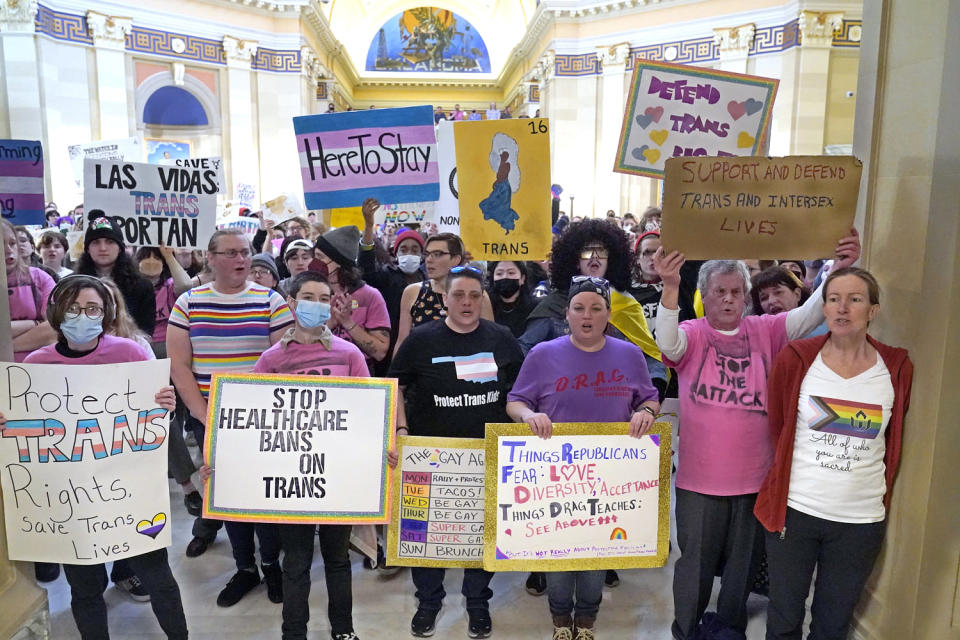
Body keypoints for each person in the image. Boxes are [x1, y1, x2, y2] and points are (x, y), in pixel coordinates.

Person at [652, 229, 861, 640]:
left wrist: (840, 269)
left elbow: (812, 313)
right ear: (705, 296)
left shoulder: (767, 329)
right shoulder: (693, 333)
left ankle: (729, 627)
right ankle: (686, 628)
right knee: (693, 560)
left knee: (742, 565)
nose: (728, 299)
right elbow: (668, 343)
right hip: (700, 479)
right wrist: (670, 287)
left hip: (754, 478)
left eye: (735, 291)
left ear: (745, 296)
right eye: (719, 292)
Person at [4, 274, 189, 640]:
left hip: (129, 494)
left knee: (160, 580)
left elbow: (151, 423)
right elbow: (24, 428)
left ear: (106, 314)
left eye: (92, 309)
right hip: (68, 499)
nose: (82, 316)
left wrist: (165, 406)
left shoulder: (130, 352)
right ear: (56, 312)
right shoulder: (35, 367)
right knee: (85, 589)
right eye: (73, 309)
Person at [754, 267, 912, 640]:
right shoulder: (797, 359)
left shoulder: (895, 368)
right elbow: (779, 427)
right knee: (783, 619)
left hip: (859, 521)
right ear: (823, 307)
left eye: (855, 299)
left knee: (832, 624)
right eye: (834, 299)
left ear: (872, 310)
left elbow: (892, 441)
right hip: (795, 512)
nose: (843, 308)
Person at [506, 276, 660, 640]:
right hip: (556, 481)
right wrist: (528, 416)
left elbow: (649, 397)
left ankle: (587, 622)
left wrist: (647, 414)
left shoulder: (629, 354)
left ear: (609, 314)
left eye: (596, 308)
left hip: (608, 482)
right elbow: (515, 401)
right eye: (579, 308)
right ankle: (561, 622)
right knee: (559, 564)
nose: (587, 316)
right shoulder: (542, 354)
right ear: (567, 313)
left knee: (594, 563)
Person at [389, 266, 524, 639]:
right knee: (424, 532)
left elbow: (521, 388)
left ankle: (478, 603)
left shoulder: (502, 338)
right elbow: (394, 385)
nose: (467, 303)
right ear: (444, 299)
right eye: (459, 295)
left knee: (481, 532)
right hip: (429, 455)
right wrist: (400, 429)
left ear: (484, 298)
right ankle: (428, 603)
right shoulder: (420, 340)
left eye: (474, 295)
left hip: (485, 455)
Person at [166, 228, 293, 606]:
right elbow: (179, 365)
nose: (241, 260)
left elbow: (285, 361)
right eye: (232, 253)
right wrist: (203, 414)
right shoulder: (189, 303)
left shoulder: (271, 300)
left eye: (246, 252)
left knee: (266, 497)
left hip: (264, 420)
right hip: (212, 418)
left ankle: (272, 565)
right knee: (229, 495)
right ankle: (245, 569)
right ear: (211, 257)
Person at [249, 272, 370, 640]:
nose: (315, 305)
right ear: (290, 302)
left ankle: (344, 630)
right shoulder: (271, 360)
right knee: (296, 562)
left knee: (337, 559)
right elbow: (256, 420)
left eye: (323, 298)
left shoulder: (349, 354)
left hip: (337, 475)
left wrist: (382, 450)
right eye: (308, 297)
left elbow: (368, 410)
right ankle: (293, 632)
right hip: (291, 478)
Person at [394, 232, 493, 355]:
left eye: (438, 254)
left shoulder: (477, 296)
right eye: (428, 254)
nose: (429, 260)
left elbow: (490, 341)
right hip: (423, 368)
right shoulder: (413, 292)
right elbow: (402, 343)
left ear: (456, 259)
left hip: (465, 366)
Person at [359, 198, 426, 374]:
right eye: (404, 249)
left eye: (415, 250)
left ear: (422, 255)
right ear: (395, 254)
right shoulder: (386, 277)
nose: (409, 253)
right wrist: (368, 228)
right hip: (391, 354)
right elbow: (366, 268)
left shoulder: (428, 279)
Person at [313, 225, 391, 368]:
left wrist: (347, 322)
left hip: (357, 376)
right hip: (317, 372)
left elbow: (380, 352)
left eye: (320, 257)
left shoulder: (369, 296)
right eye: (314, 255)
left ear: (338, 262)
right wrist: (330, 324)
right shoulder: (308, 292)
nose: (313, 262)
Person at [75, 211, 155, 336]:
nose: (102, 248)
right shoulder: (73, 285)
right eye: (96, 242)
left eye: (109, 241)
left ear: (120, 247)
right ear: (87, 249)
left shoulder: (142, 286)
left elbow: (146, 332)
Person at [4, 219, 57, 362]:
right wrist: (35, 324)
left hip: (37, 368)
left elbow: (54, 328)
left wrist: (7, 347)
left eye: (12, 243)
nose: (9, 250)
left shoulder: (40, 277)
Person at [487, 260, 536, 337]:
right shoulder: (485, 304)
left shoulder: (535, 307)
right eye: (499, 273)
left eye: (511, 273)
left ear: (522, 279)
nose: (505, 277)